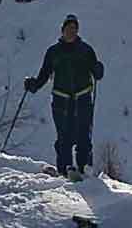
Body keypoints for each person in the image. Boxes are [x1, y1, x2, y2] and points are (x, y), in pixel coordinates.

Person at [25, 13, 104, 180]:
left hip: (83, 99)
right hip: (61, 100)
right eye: (68, 28)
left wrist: (98, 70)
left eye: (74, 29)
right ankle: (65, 169)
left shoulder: (86, 50)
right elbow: (44, 75)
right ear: (62, 30)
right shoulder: (53, 52)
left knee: (83, 134)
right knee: (64, 135)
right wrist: (34, 85)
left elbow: (96, 73)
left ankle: (83, 167)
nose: (71, 32)